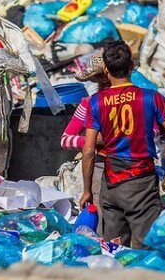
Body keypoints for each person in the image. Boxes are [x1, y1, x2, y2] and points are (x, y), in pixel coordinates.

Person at [80, 41, 165, 248]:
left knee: (114, 246)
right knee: (146, 248)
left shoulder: (95, 102)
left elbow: (88, 151)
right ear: (131, 67)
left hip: (111, 183)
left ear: (106, 70)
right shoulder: (151, 98)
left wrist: (87, 191)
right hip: (141, 184)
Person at [60, 50, 110, 229]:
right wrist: (94, 140)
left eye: (106, 78)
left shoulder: (135, 101)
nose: (103, 84)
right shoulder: (88, 103)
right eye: (99, 79)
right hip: (97, 168)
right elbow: (66, 139)